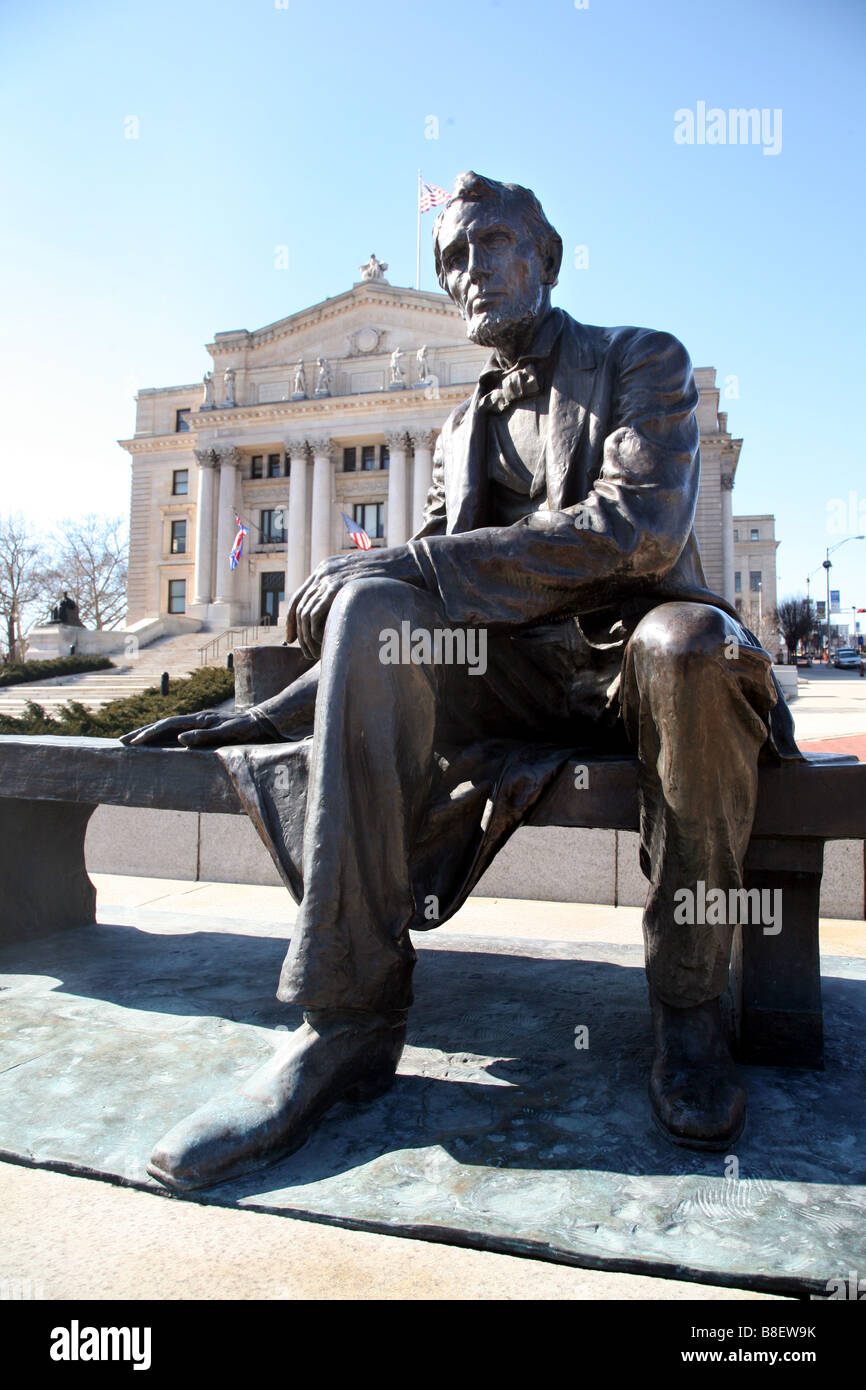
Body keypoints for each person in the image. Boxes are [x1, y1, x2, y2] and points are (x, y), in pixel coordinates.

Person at [124, 171, 799, 1192]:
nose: (467, 273)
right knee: (374, 606)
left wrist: (411, 565)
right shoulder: (456, 429)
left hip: (642, 658)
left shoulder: (638, 361)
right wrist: (261, 710)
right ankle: (344, 1020)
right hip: (517, 676)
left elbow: (637, 534)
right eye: (450, 261)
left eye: (486, 246)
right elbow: (410, 606)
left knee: (684, 647)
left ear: (542, 257)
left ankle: (689, 1007)